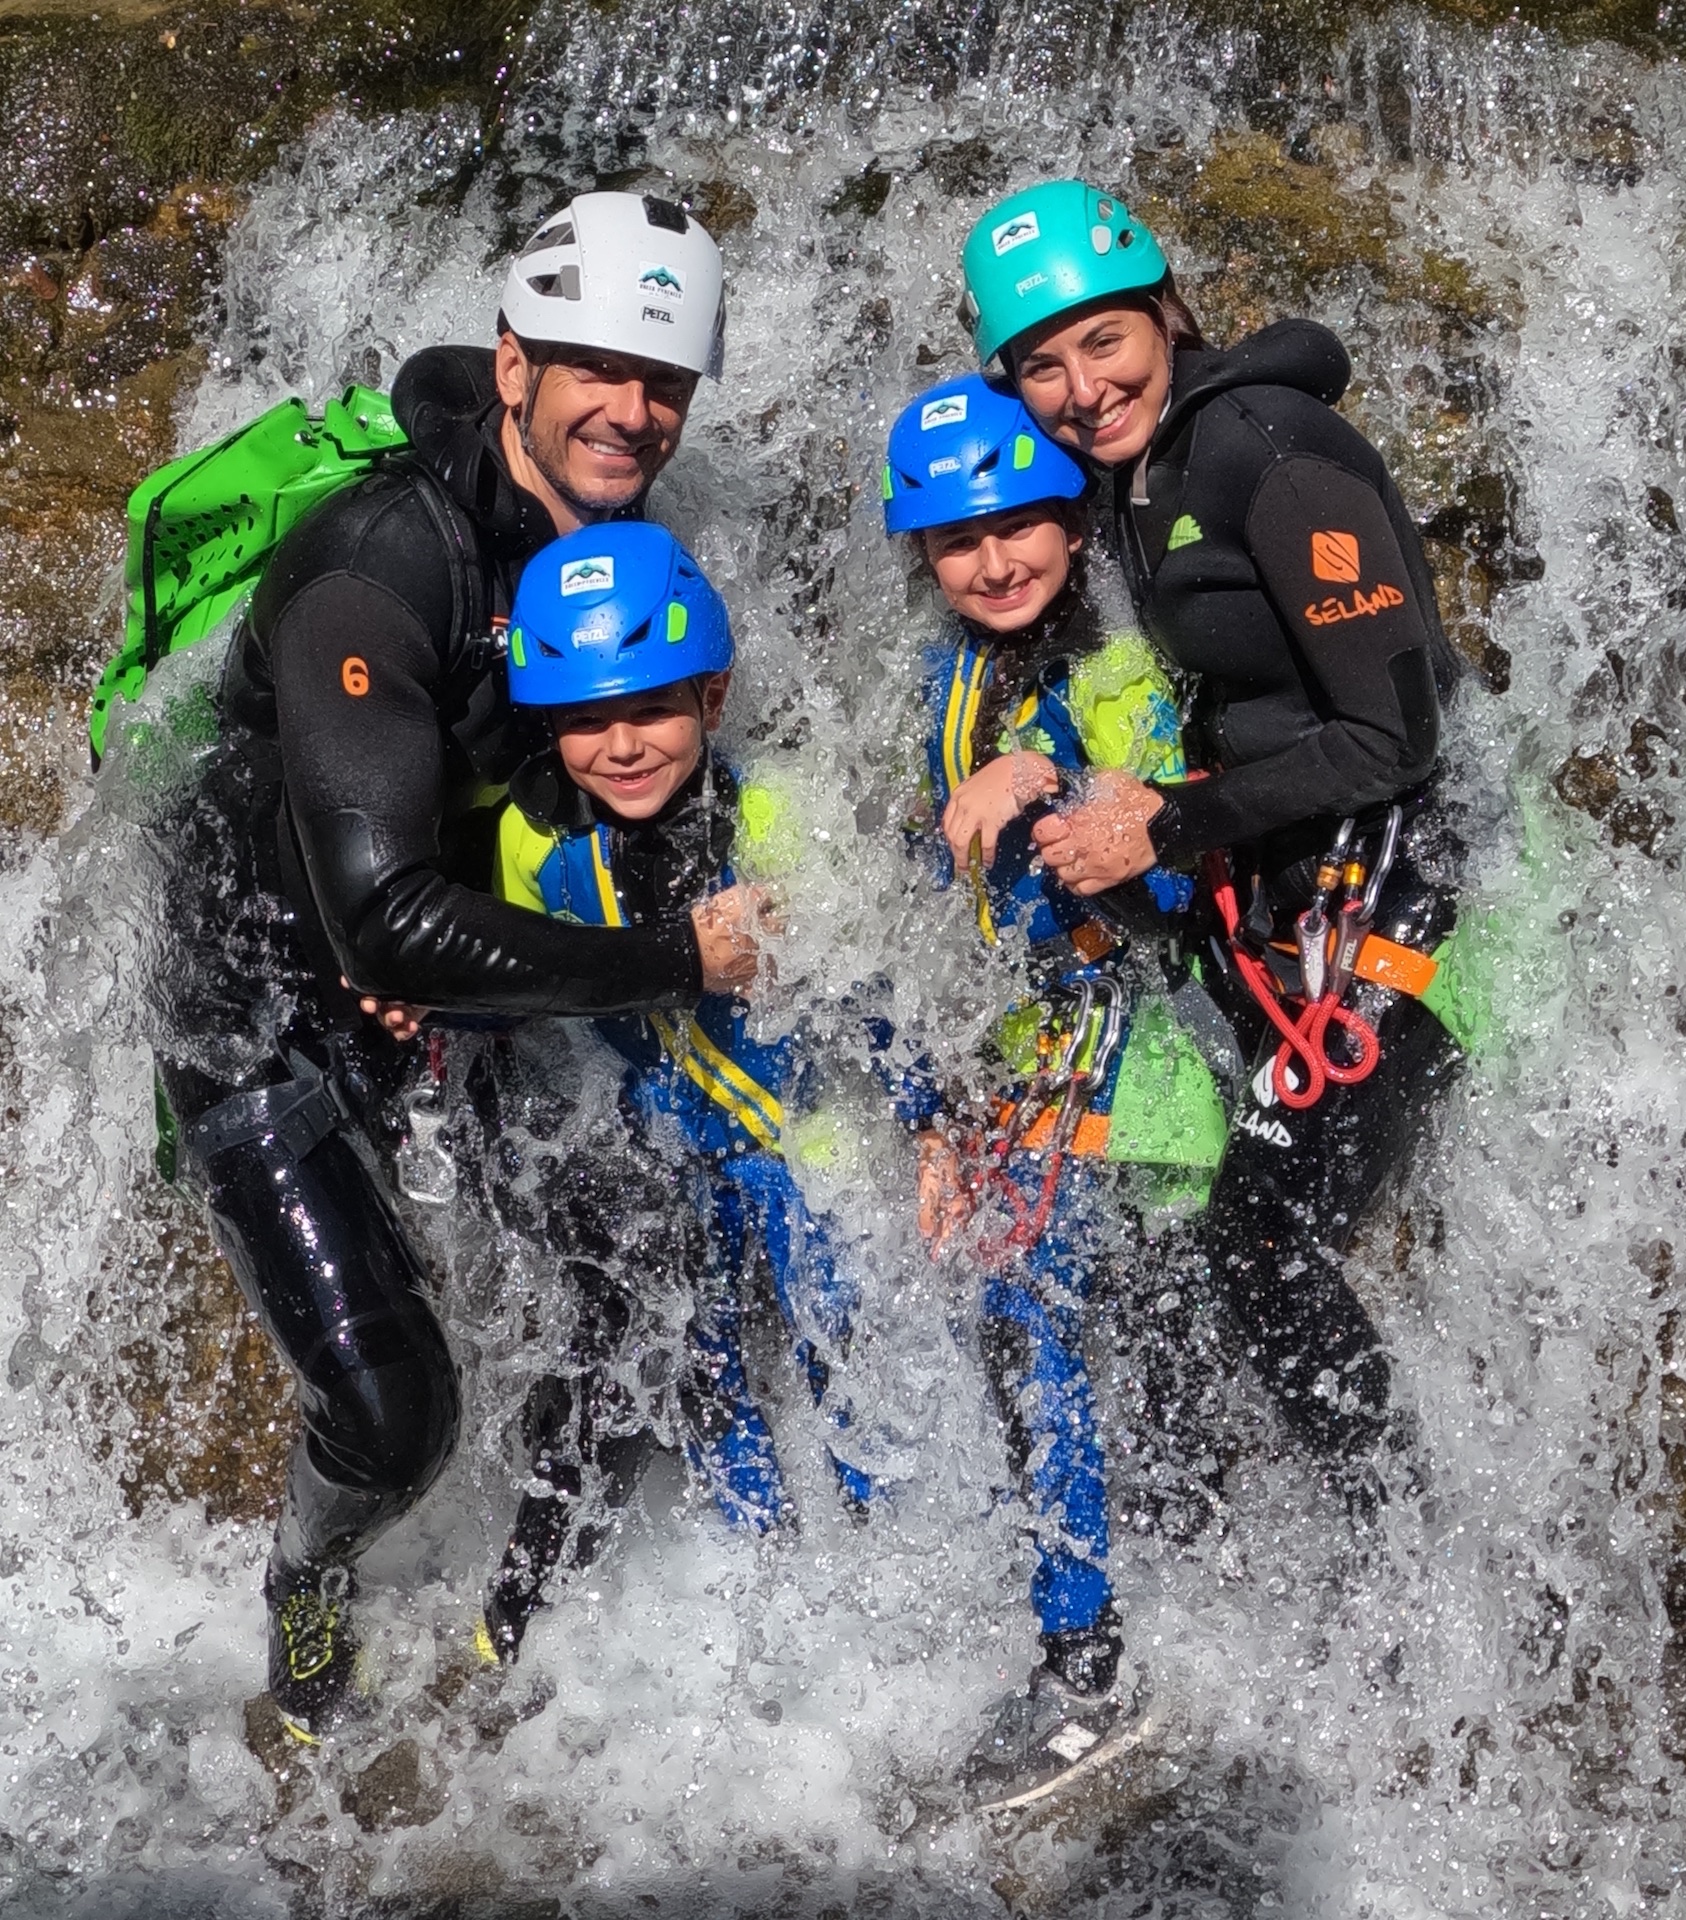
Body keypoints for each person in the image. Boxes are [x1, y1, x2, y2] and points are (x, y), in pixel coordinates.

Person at [151, 190, 760, 1739]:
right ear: (513, 367)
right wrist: (671, 958)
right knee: (390, 1411)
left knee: (642, 1289)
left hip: (457, 988)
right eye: (594, 371)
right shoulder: (377, 563)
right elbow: (379, 921)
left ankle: (506, 1651)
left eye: (663, 381)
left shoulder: (609, 545)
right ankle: (305, 1588)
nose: (633, 410)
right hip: (265, 1010)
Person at [956, 180, 1468, 1496]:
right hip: (1298, 922)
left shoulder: (1264, 447)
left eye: (1106, 342)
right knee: (1194, 1255)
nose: (1080, 386)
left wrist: (1166, 825)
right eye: (1042, 365)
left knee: (1259, 1245)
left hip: (1405, 913)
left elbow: (1393, 737)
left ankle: (1415, 1561)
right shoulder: (1140, 473)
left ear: (1168, 313)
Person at [884, 374, 1230, 1808]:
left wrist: (1048, 770)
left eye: (1023, 523)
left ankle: (1091, 1671)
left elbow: (1178, 865)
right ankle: (1129, 1635)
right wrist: (928, 1113)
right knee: (1047, 1344)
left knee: (1052, 1330)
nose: (996, 560)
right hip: (1038, 1066)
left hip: (1160, 1051)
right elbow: (921, 910)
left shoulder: (1124, 664)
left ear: (1075, 528)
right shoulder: (943, 680)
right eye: (959, 543)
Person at [475, 520, 892, 1665]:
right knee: (703, 1368)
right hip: (659, 1151)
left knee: (837, 1338)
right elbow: (525, 1006)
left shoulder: (773, 817)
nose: (621, 746)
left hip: (802, 1141)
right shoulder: (532, 844)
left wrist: (928, 1120)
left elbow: (875, 996)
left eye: (650, 710)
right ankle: (767, 1586)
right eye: (586, 722)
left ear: (712, 700)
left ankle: (892, 1576)